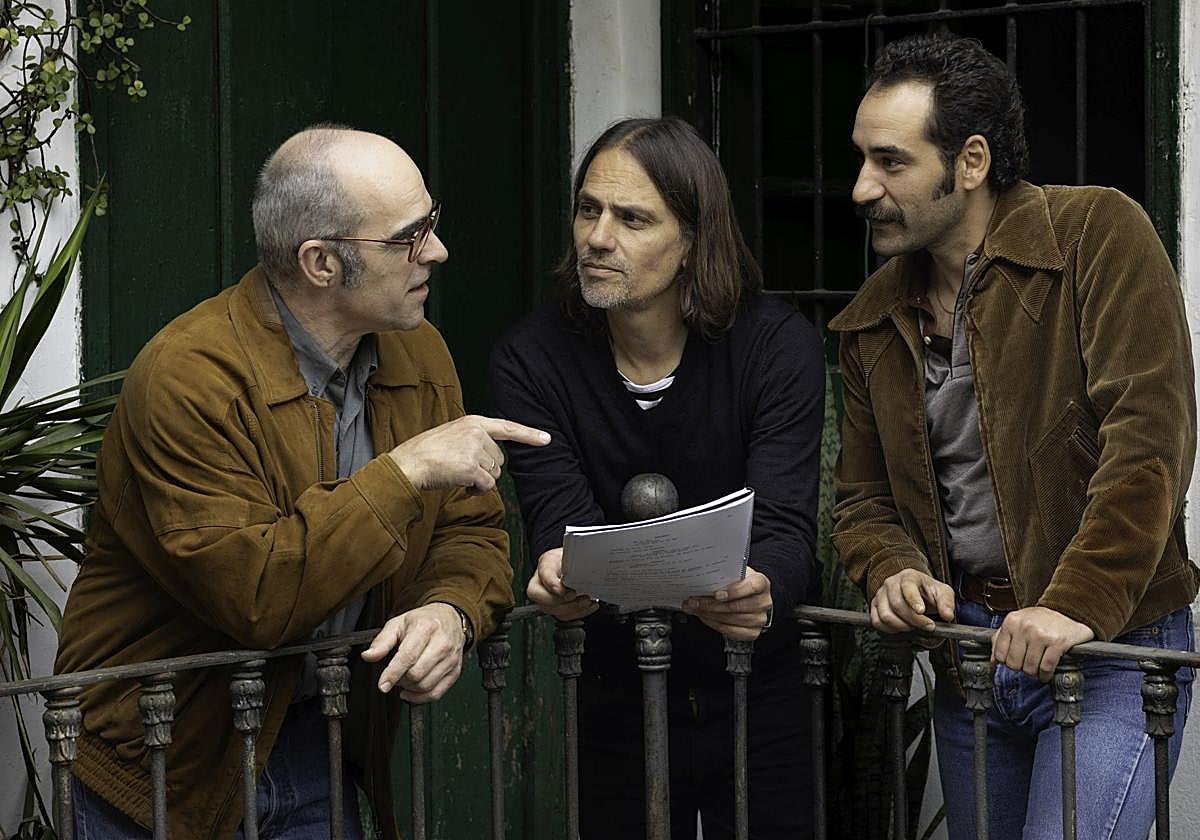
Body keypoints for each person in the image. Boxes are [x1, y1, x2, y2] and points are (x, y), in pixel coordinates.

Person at [53, 125, 549, 839]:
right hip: (161, 761)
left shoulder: (419, 348)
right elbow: (255, 597)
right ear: (320, 261)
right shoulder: (189, 379)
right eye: (409, 237)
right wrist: (405, 471)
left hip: (323, 737)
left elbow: (467, 531)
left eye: (431, 225)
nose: (436, 251)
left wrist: (451, 611)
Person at [831, 33, 1197, 840]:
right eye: (860, 158)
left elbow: (1148, 448)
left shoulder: (1096, 235)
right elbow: (861, 501)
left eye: (891, 162)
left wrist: (1074, 604)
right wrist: (891, 569)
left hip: (1112, 649)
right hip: (971, 658)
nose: (861, 187)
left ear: (970, 160)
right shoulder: (871, 318)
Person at [491, 117, 824, 839]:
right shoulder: (532, 358)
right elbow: (560, 520)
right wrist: (558, 570)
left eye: (633, 218)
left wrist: (763, 580)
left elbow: (788, 523)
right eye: (588, 210)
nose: (598, 237)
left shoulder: (774, 346)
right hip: (612, 688)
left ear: (693, 242)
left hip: (759, 686)